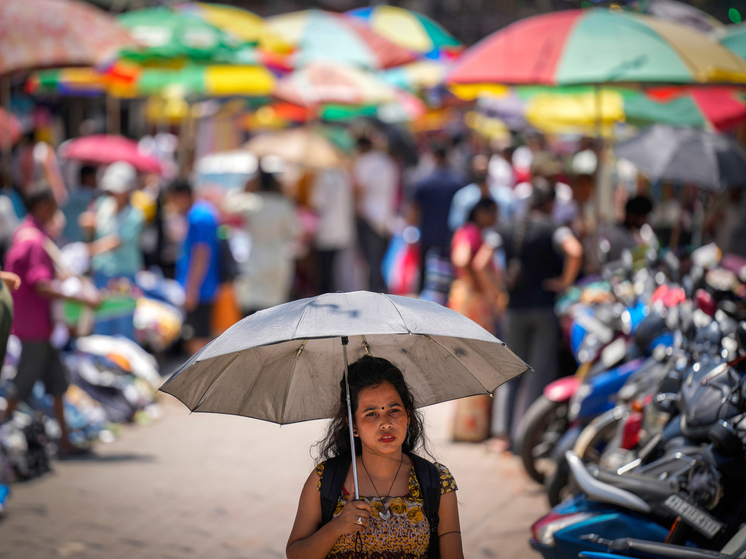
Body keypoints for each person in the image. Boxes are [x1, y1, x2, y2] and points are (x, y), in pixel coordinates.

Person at [287, 356, 464, 559]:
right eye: (371, 414)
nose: (386, 423)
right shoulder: (324, 478)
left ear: (408, 416)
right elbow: (295, 554)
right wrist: (336, 527)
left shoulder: (436, 481)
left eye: (394, 410)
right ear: (353, 425)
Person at [2, 186, 99, 456]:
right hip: (33, 325)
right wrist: (82, 298)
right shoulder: (33, 240)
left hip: (39, 325)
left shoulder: (28, 234)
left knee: (57, 382)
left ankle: (65, 441)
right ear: (43, 205)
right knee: (21, 386)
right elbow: (41, 285)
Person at [492, 178, 583, 450]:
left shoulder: (507, 227)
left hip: (514, 309)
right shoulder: (552, 228)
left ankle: (501, 436)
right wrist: (564, 283)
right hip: (544, 308)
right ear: (549, 203)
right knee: (538, 374)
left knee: (509, 373)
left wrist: (496, 289)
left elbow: (482, 260)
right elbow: (575, 251)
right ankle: (526, 439)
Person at [448, 198, 506, 442]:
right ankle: (472, 428)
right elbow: (462, 260)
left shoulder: (471, 232)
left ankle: (470, 427)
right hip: (473, 301)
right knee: (477, 362)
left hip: (468, 298)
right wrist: (481, 285)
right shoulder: (470, 233)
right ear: (481, 213)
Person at [224, 164, 300, 315]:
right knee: (276, 311)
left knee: (252, 311)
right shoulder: (283, 205)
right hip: (278, 260)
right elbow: (296, 231)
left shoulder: (252, 202)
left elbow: (227, 205)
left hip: (256, 261)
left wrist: (245, 188)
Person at [82, 162, 144, 340]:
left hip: (124, 276)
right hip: (101, 274)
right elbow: (96, 228)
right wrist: (88, 224)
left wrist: (87, 251)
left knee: (124, 327)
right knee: (102, 325)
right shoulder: (103, 204)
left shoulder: (135, 215)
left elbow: (116, 241)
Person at [168, 179, 221, 356]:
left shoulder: (197, 217)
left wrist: (191, 290)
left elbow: (201, 254)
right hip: (202, 287)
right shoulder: (203, 212)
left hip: (200, 289)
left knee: (197, 338)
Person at [353, 136, 399, 293]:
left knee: (371, 259)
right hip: (386, 216)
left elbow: (360, 189)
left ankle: (374, 292)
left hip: (369, 215)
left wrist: (356, 208)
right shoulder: (388, 163)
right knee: (380, 258)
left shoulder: (364, 162)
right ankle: (382, 290)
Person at [310, 168, 355, 294]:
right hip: (342, 230)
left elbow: (317, 203)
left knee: (326, 271)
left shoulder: (322, 176)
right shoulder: (344, 175)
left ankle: (327, 296)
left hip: (326, 230)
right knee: (337, 270)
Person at [448, 154, 514, 232]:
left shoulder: (504, 197)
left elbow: (508, 224)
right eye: (478, 172)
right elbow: (457, 226)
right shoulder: (463, 198)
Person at [61, 165, 98, 244]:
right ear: (87, 178)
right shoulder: (88, 196)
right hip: (79, 242)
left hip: (66, 239)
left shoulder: (70, 195)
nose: (96, 181)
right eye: (94, 177)